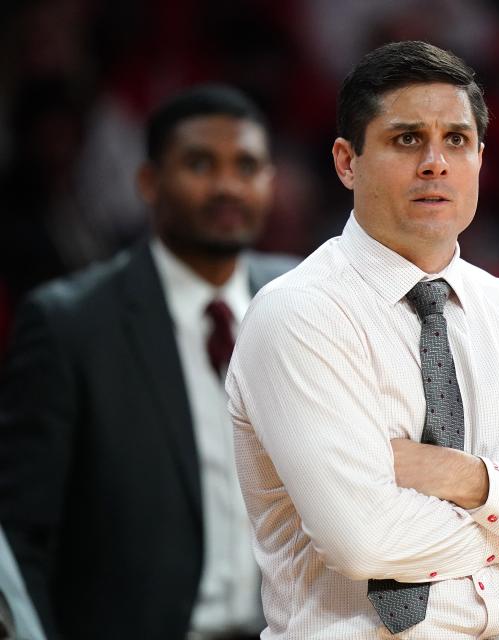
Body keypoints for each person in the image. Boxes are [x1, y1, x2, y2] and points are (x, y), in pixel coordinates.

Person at [225, 40, 499, 639]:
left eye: (457, 141)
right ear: (346, 162)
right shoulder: (298, 315)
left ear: (479, 160)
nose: (436, 163)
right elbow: (364, 542)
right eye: (407, 139)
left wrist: (468, 478)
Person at [0, 84, 297, 639]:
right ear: (148, 183)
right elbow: (23, 536)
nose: (227, 185)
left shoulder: (307, 299)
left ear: (270, 182)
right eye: (200, 164)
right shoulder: (71, 324)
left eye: (247, 165)